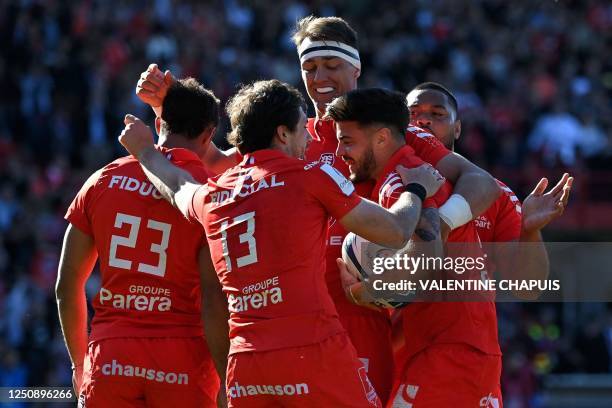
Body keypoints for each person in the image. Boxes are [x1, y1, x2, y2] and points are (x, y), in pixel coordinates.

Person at [134, 16, 502, 404]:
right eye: (309, 68)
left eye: (331, 65)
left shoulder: (388, 131)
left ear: (356, 68)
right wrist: (169, 110)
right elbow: (211, 163)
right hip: (294, 323)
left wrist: (438, 226)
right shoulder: (291, 138)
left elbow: (481, 183)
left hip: (360, 318)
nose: (319, 77)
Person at [118, 79, 445, 407]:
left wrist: (144, 150)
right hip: (313, 351)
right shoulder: (310, 178)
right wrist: (414, 190)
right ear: (283, 133)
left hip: (246, 364)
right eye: (304, 128)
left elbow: (177, 186)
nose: (309, 139)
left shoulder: (212, 194)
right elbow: (396, 230)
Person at [326, 88, 506, 407]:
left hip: (449, 353)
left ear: (382, 138)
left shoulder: (403, 182)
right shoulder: (406, 172)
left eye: (348, 141)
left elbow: (425, 264)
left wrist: (367, 291)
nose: (340, 151)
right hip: (460, 345)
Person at [55, 79, 223, 407]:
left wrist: (79, 365)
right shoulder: (207, 194)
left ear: (159, 123)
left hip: (111, 358)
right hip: (183, 361)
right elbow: (214, 301)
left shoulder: (102, 180)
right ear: (208, 134)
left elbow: (67, 285)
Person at [406, 82, 573, 296]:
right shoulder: (375, 178)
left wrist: (530, 232)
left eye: (438, 114)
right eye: (413, 113)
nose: (423, 120)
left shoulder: (498, 196)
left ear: (457, 129)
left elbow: (528, 290)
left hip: (468, 328)